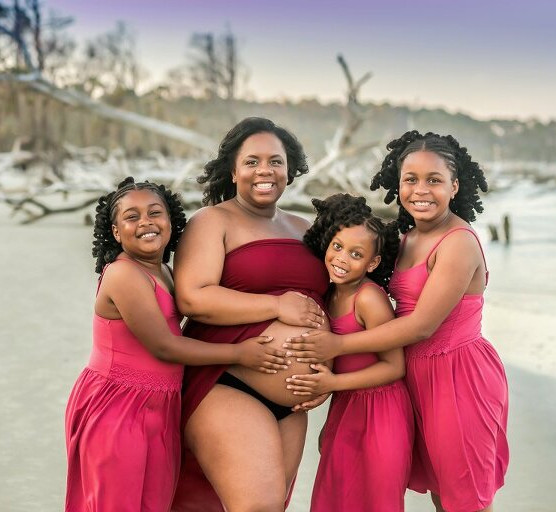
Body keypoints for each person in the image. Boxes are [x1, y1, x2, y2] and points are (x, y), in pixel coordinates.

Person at [285, 131, 509, 512]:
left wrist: (337, 346)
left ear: (455, 186)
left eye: (434, 180)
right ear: (397, 183)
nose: (421, 190)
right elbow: (354, 288)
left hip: (457, 376)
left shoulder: (458, 242)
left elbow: (421, 325)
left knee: (463, 499)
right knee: (440, 490)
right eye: (411, 180)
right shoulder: (403, 239)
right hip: (410, 381)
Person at [65, 177, 282, 512]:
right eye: (131, 217)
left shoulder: (165, 270)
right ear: (115, 231)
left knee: (156, 503)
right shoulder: (124, 275)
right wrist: (240, 353)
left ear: (171, 221)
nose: (146, 223)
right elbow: (164, 346)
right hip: (118, 405)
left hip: (161, 404)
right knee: (116, 503)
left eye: (155, 213)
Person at [170, 117, 331, 512]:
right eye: (252, 161)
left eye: (276, 161)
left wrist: (333, 370)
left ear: (290, 169)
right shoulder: (212, 221)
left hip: (292, 402)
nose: (265, 170)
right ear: (233, 169)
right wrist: (276, 306)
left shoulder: (305, 227)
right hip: (226, 382)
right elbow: (192, 298)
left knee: (272, 506)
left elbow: (340, 295)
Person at [284, 193, 413, 512]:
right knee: (336, 496)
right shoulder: (329, 294)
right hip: (347, 408)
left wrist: (330, 385)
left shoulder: (369, 299)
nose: (342, 258)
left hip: (382, 411)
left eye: (356, 254)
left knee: (377, 501)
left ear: (372, 263)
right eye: (338, 247)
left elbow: (394, 367)